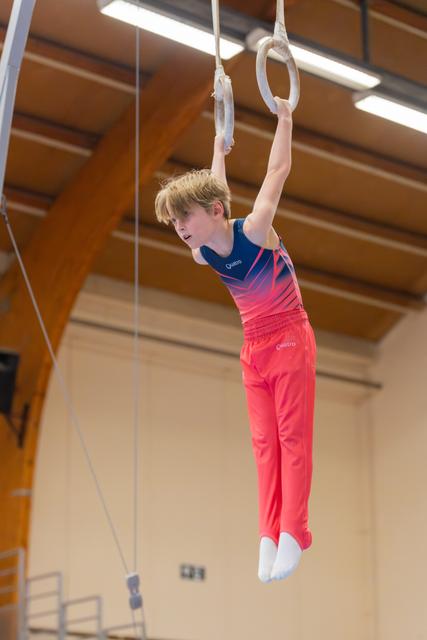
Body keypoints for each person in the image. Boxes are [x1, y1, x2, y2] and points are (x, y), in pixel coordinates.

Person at [155, 97, 316, 583]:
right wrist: (218, 145)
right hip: (253, 350)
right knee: (264, 444)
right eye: (176, 223)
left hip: (289, 336)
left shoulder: (257, 228)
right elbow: (215, 191)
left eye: (186, 218)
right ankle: (268, 532)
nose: (182, 229)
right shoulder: (204, 253)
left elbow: (278, 169)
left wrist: (284, 118)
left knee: (292, 438)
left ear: (216, 212)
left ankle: (295, 531)